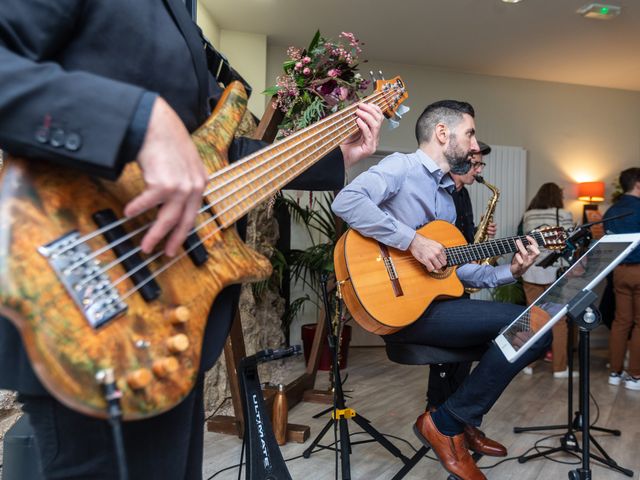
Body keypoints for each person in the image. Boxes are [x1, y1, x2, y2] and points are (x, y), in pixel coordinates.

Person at [0, 2, 383, 478]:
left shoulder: (181, 11)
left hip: (166, 311)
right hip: (84, 300)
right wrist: (137, 121)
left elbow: (214, 153)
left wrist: (333, 157)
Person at [332, 100, 549, 480]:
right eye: (470, 133)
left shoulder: (448, 200)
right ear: (443, 133)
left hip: (431, 306)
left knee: (527, 334)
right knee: (529, 322)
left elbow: (455, 271)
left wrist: (510, 271)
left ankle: (453, 421)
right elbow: (347, 201)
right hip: (397, 310)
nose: (474, 143)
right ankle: (447, 424)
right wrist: (412, 242)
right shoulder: (402, 166)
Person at [425, 141, 507, 458]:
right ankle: (443, 418)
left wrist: (481, 240)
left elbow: (462, 241)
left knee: (464, 354)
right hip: (436, 283)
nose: (479, 169)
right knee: (448, 356)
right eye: (476, 163)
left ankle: (457, 421)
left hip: (458, 276)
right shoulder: (438, 192)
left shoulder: (464, 195)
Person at [520, 183, 575, 378]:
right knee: (559, 321)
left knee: (534, 318)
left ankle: (528, 364)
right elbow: (570, 243)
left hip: (531, 272)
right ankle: (559, 368)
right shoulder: (564, 214)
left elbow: (525, 243)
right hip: (554, 273)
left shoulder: (529, 215)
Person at [603, 167, 640, 390]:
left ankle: (614, 373)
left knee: (620, 322)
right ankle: (635, 376)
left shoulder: (611, 211)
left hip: (618, 272)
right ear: (638, 184)